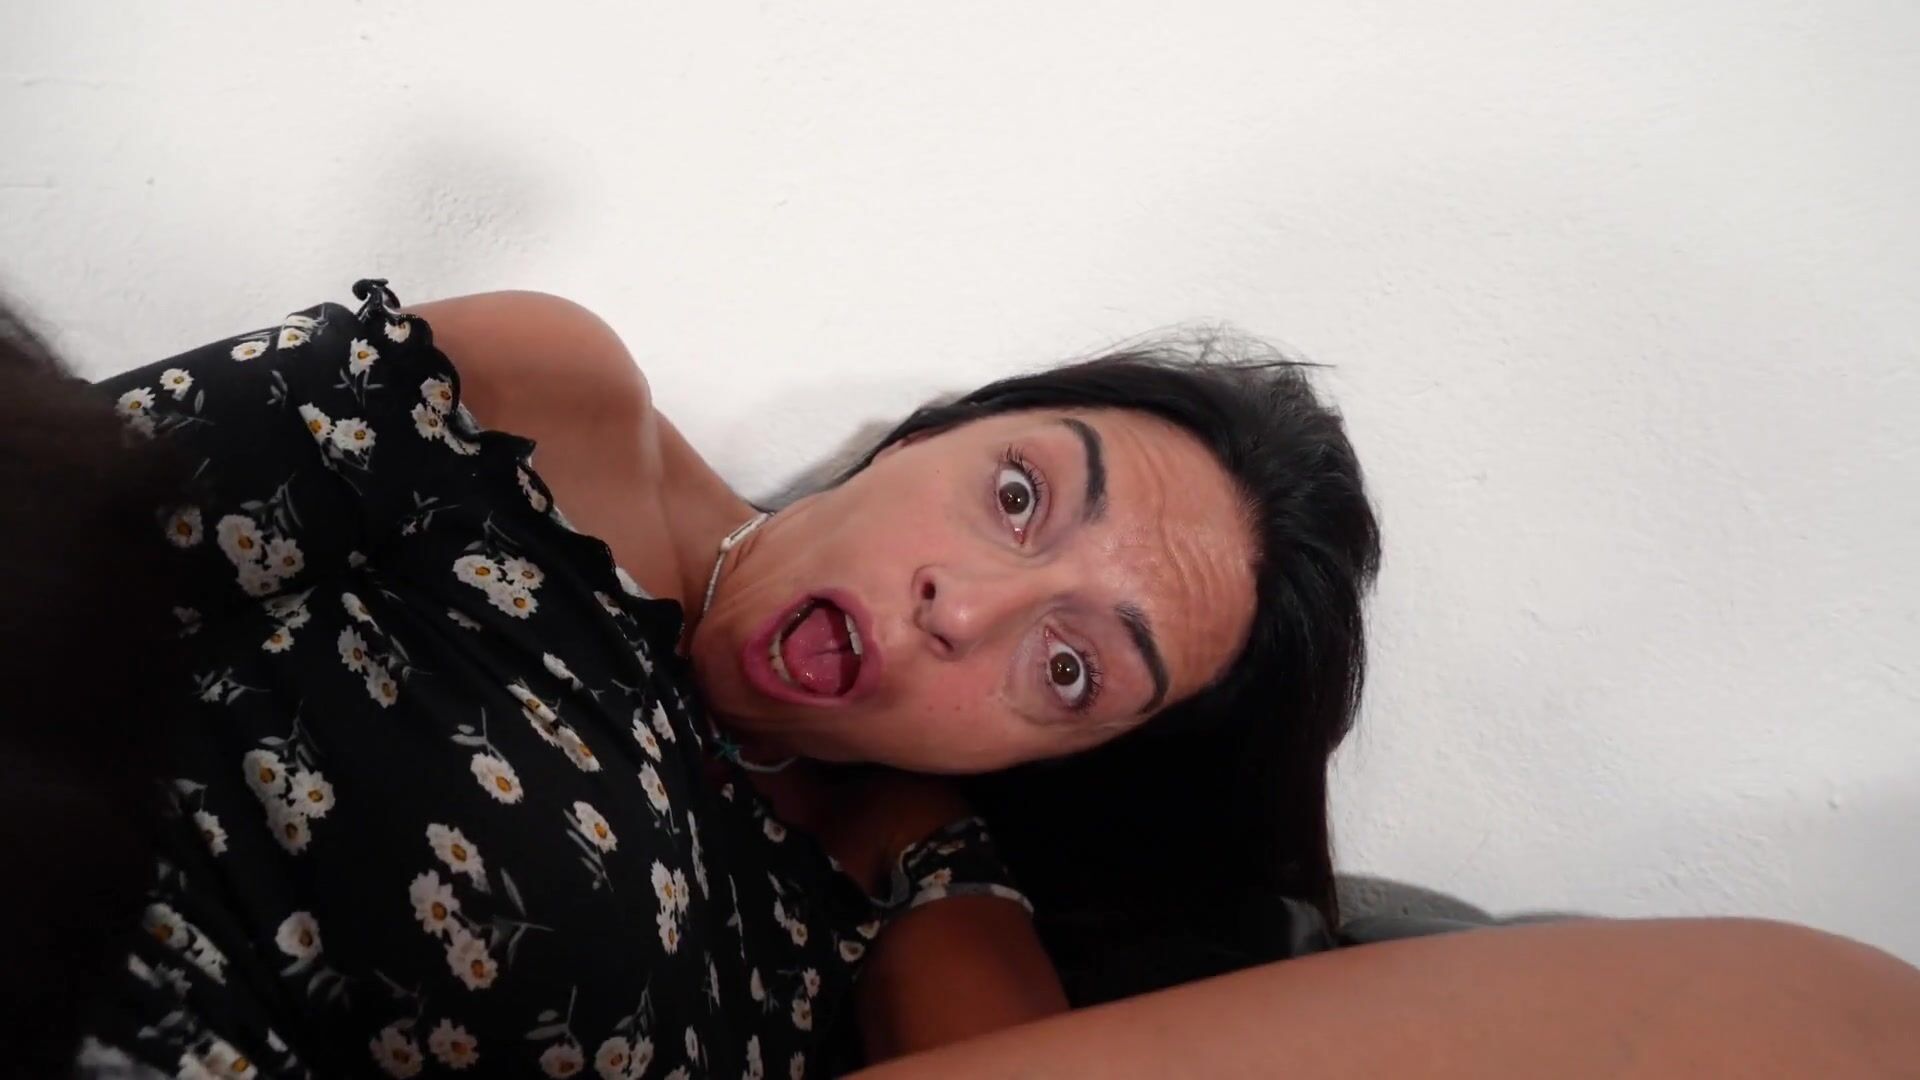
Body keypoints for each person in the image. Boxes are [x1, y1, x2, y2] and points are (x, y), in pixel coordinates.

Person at [79, 282, 1920, 1077]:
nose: (967, 610)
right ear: (930, 434)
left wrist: (922, 847)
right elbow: (47, 530)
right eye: (1023, 493)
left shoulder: (909, 874)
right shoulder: (537, 400)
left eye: (1068, 667)